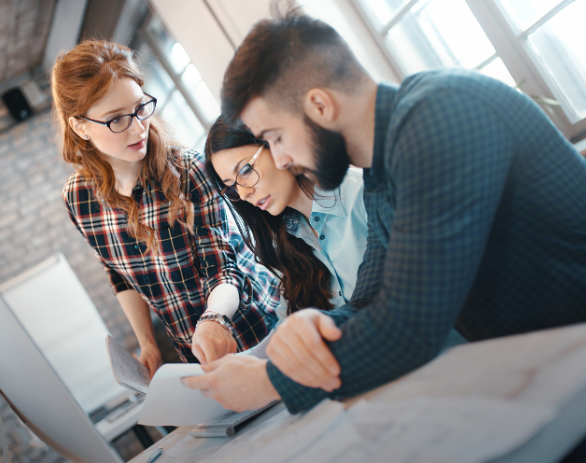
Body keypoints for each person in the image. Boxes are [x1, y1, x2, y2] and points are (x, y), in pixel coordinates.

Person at [181, 10, 586, 413]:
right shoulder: (382, 174)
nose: (282, 159)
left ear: (320, 105)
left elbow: (411, 323)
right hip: (546, 372)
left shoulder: (438, 115)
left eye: (277, 137)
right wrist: (312, 329)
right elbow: (371, 298)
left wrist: (271, 381)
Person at [52, 40, 279, 376]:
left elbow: (222, 267)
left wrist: (215, 318)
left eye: (141, 107)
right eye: (116, 120)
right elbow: (119, 275)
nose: (138, 127)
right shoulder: (79, 198)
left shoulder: (188, 169)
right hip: (194, 352)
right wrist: (148, 343)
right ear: (80, 126)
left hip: (256, 327)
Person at [204, 116, 368, 323]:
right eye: (232, 186)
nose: (244, 194)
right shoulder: (282, 242)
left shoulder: (362, 195)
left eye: (245, 170)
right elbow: (288, 326)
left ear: (275, 144)